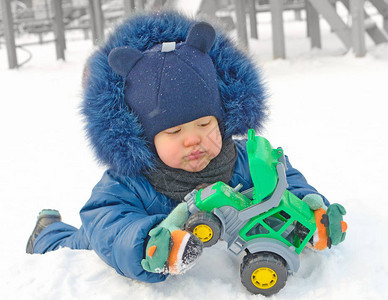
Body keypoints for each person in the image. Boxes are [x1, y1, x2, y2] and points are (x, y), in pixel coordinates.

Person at [26, 12, 336, 283]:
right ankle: (46, 230)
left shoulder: (242, 160)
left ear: (222, 121)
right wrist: (147, 241)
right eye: (174, 131)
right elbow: (107, 224)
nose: (193, 139)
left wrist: (310, 206)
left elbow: (282, 179)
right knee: (70, 243)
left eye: (204, 125)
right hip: (95, 242)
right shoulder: (128, 184)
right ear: (146, 139)